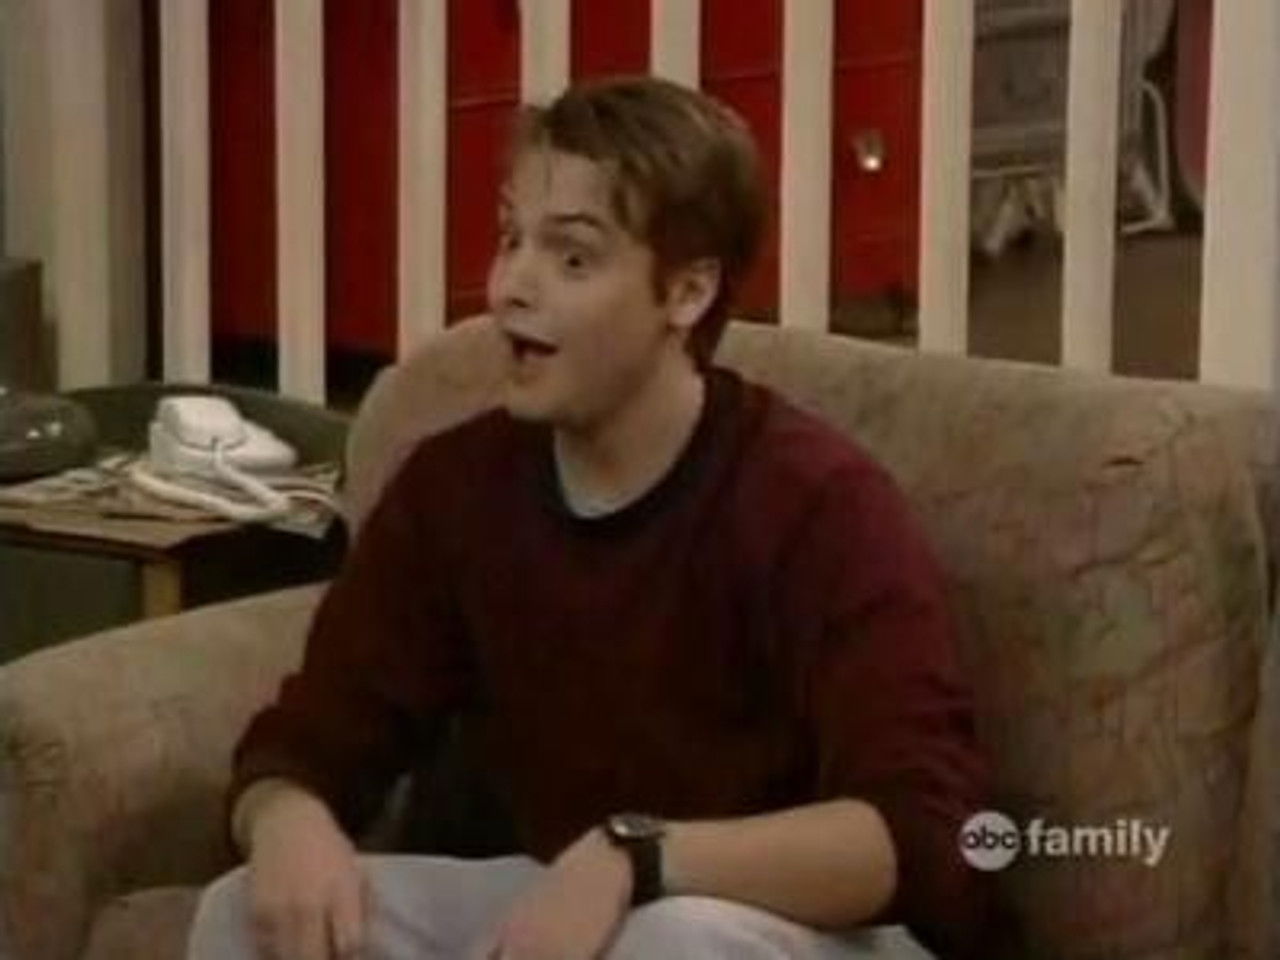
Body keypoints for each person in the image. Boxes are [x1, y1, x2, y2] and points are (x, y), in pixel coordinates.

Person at [187, 75, 990, 960]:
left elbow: (920, 834)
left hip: (788, 923)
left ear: (686, 293)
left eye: (572, 258)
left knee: (673, 941)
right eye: (511, 240)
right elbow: (308, 742)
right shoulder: (456, 487)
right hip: (561, 895)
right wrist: (288, 819)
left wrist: (638, 857)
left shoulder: (817, 505)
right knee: (239, 911)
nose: (510, 289)